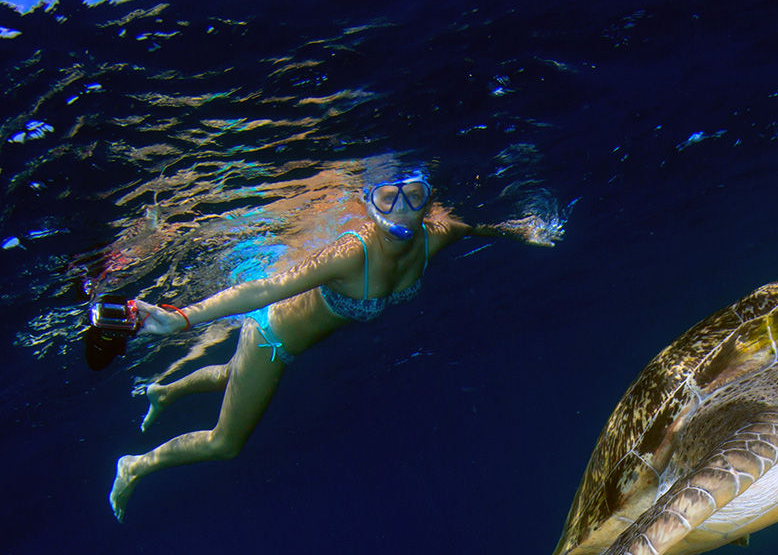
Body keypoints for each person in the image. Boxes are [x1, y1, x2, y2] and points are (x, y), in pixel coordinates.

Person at [109, 162, 560, 519]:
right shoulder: (351, 253)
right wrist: (180, 318)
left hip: (279, 343)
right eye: (387, 198)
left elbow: (476, 228)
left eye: (414, 196)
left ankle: (163, 392)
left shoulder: (436, 237)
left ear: (429, 200)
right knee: (225, 443)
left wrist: (523, 231)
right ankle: (134, 465)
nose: (402, 209)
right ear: (369, 205)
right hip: (269, 336)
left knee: (231, 374)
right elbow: (264, 289)